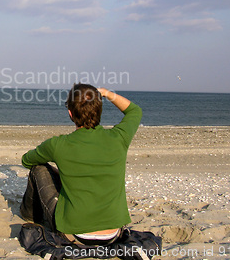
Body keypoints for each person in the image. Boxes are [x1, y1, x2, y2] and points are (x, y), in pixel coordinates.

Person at [19, 84, 142, 245]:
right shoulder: (119, 138)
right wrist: (105, 93)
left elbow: (26, 160)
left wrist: (61, 170)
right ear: (99, 110)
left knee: (39, 168)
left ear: (70, 113)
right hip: (113, 233)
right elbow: (135, 111)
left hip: (74, 234)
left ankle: (29, 216)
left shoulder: (58, 145)